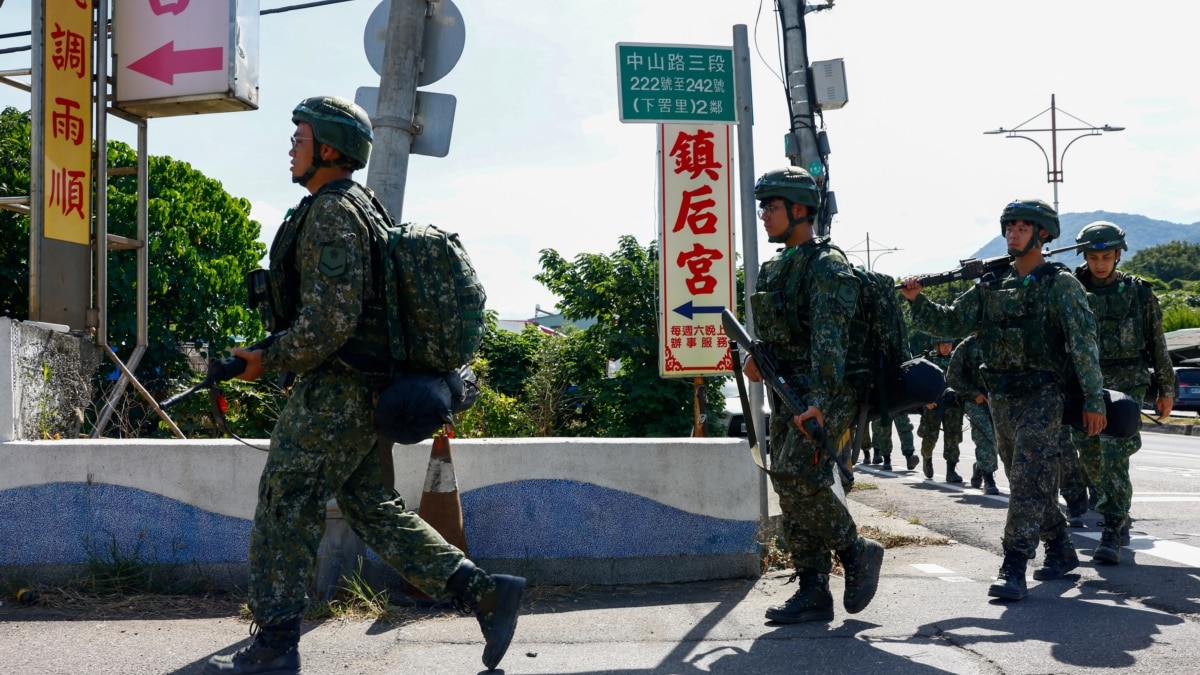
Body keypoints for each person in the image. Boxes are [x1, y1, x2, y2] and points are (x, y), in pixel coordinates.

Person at [205, 96, 524, 674]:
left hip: (336, 391)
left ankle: (276, 642)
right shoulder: (361, 207)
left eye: (299, 136)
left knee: (286, 500)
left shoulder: (331, 213)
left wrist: (264, 359)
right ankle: (485, 593)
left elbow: (331, 320)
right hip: (364, 388)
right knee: (368, 505)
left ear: (328, 148)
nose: (291, 147)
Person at [899, 198, 1106, 602]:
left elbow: (1084, 344)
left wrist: (1094, 399)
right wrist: (916, 299)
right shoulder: (989, 285)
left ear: (1042, 234)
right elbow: (950, 322)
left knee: (1028, 478)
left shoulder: (1060, 284)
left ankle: (1013, 564)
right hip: (1001, 397)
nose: (1013, 233)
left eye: (1022, 227)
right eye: (1009, 227)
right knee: (1025, 478)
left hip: (1043, 394)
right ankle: (1061, 548)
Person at [741, 167, 884, 624]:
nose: (764, 215)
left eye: (772, 206)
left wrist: (819, 400)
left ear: (799, 210)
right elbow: (780, 335)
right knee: (786, 481)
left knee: (797, 474)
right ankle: (812, 588)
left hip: (829, 388)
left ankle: (855, 550)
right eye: (763, 207)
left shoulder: (827, 265)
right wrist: (758, 359)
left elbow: (830, 340)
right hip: (788, 388)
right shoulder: (777, 266)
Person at [1070, 221, 1175, 564]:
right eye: (1093, 256)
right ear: (1085, 256)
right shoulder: (1069, 289)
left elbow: (1157, 341)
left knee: (1114, 454)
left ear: (1118, 255)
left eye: (1106, 256)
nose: (1100, 263)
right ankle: (1112, 506)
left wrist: (1165, 388)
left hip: (1128, 382)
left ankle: (1113, 526)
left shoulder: (1138, 291)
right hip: (1086, 383)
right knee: (1090, 455)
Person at [944, 334, 1000, 495]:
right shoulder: (965, 347)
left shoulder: (1000, 340)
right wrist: (973, 393)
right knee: (985, 437)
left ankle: (980, 467)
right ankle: (989, 479)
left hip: (999, 398)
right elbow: (952, 376)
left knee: (999, 441)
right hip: (976, 400)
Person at [916, 337, 965, 482]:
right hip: (933, 405)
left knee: (953, 438)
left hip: (953, 405)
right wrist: (926, 401)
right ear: (936, 346)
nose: (947, 348)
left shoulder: (957, 359)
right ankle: (927, 458)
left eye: (949, 344)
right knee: (930, 436)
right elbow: (919, 382)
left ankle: (951, 471)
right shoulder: (927, 361)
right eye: (943, 345)